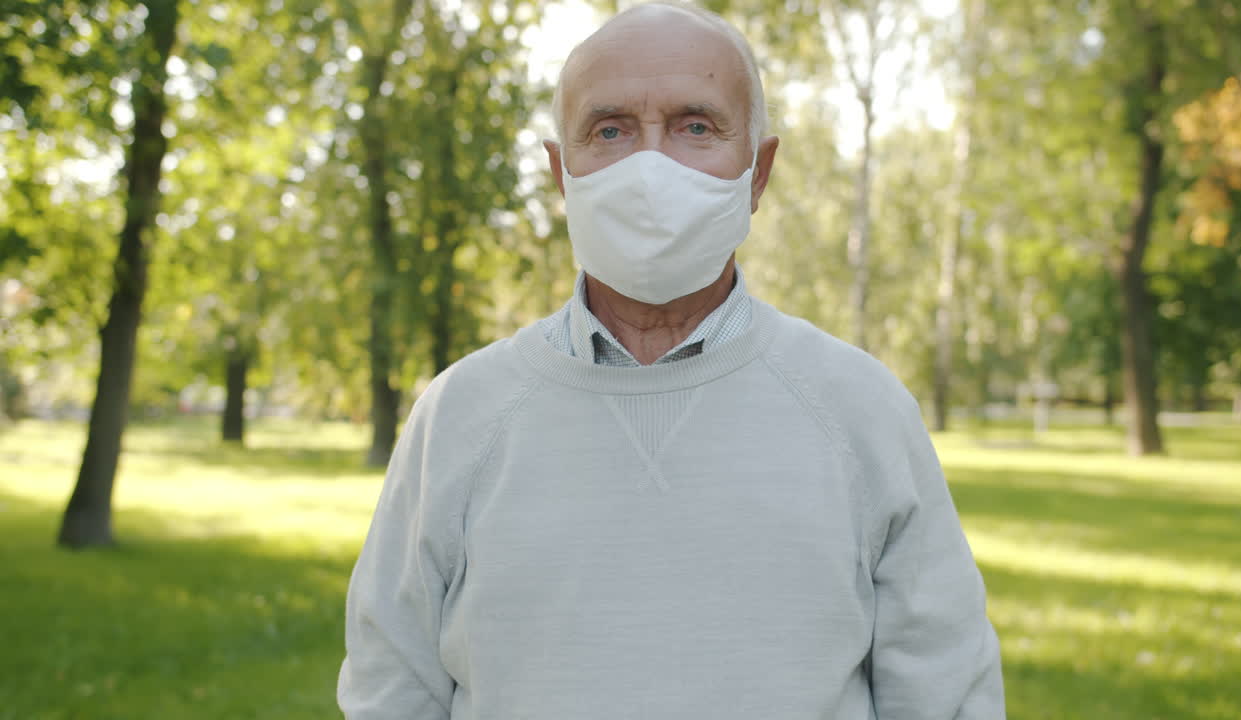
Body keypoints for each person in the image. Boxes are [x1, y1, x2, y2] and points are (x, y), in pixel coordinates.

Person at [337, 1, 1005, 718]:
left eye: (695, 126)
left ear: (759, 169)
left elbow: (944, 694)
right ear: (563, 173)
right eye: (610, 129)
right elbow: (391, 687)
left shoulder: (862, 410)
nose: (650, 166)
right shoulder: (460, 416)